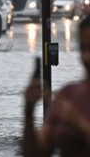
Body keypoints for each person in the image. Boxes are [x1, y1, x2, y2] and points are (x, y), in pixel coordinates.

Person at [23, 15, 90, 156]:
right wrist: (29, 110)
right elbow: (36, 153)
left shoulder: (69, 109)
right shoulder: (68, 95)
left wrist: (77, 122)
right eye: (83, 49)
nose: (86, 57)